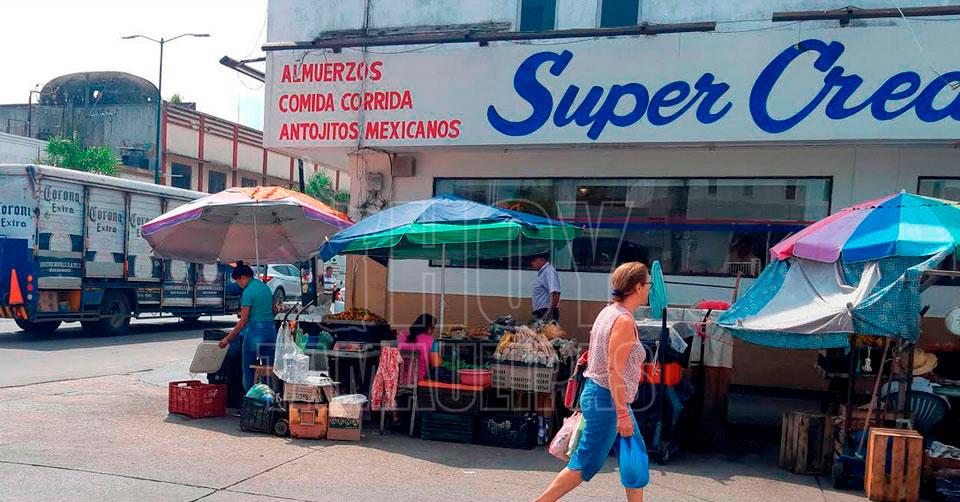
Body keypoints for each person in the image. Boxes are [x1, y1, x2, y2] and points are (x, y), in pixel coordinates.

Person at [537, 262, 651, 502]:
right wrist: (622, 413)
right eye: (648, 284)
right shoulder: (623, 320)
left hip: (608, 396)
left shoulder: (609, 312)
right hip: (607, 399)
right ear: (638, 287)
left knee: (634, 454)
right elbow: (613, 369)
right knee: (585, 462)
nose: (650, 288)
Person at [218, 261, 279, 392]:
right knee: (268, 368)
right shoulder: (265, 287)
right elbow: (275, 310)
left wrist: (227, 339)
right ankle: (270, 396)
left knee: (248, 368)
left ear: (244, 277)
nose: (238, 285)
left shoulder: (248, 292)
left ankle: (251, 397)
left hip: (255, 332)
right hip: (271, 331)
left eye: (238, 281)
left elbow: (243, 320)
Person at [396, 313, 442, 382]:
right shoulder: (430, 341)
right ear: (429, 328)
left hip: (398, 381)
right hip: (419, 381)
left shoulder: (401, 337)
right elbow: (436, 365)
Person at [530, 254, 561, 322]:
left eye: (534, 260)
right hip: (541, 312)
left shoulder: (549, 271)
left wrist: (548, 314)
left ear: (542, 260)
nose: (531, 263)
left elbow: (555, 293)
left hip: (546, 312)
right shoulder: (543, 272)